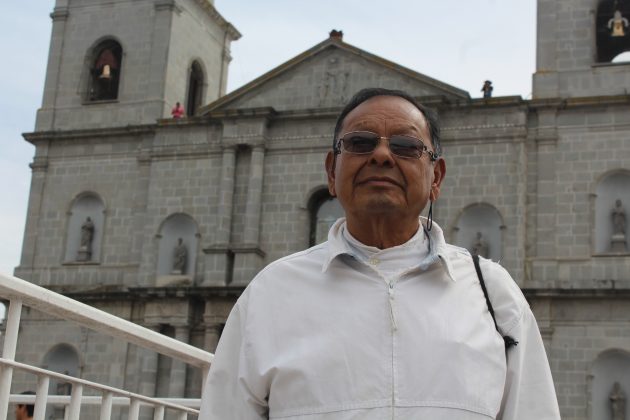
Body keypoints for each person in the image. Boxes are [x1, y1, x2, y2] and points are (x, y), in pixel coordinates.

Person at [199, 88, 560, 419]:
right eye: (359, 142)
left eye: (406, 146)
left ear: (436, 178)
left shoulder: (494, 294)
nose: (382, 155)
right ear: (331, 170)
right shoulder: (270, 294)